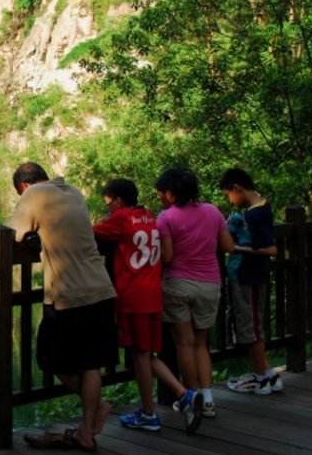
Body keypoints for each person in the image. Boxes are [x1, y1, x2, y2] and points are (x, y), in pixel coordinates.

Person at [8, 163, 118, 452]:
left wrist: (28, 236)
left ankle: (99, 408)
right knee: (90, 364)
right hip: (101, 289)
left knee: (50, 359)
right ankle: (86, 429)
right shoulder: (73, 192)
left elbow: (11, 233)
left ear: (24, 187)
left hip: (69, 295)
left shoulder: (33, 195)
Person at [93, 179, 203, 435]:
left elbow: (89, 232)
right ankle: (181, 396)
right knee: (145, 354)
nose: (108, 209)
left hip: (133, 297)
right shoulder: (148, 216)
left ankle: (151, 413)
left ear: (118, 201)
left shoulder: (121, 219)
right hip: (153, 294)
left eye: (108, 203)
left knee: (140, 356)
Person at [155, 168, 234, 420]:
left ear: (170, 193)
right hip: (210, 284)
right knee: (201, 344)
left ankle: (192, 396)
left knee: (184, 344)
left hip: (178, 284)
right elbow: (227, 246)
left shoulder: (166, 218)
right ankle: (208, 398)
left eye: (160, 193)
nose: (159, 197)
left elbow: (166, 257)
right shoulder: (212, 211)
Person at [219, 167, 282, 394]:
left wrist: (235, 248)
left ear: (237, 188)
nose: (230, 199)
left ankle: (259, 378)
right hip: (253, 275)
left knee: (251, 327)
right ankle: (267, 373)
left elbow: (271, 249)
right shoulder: (261, 206)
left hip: (249, 276)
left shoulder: (254, 215)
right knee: (251, 324)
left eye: (229, 194)